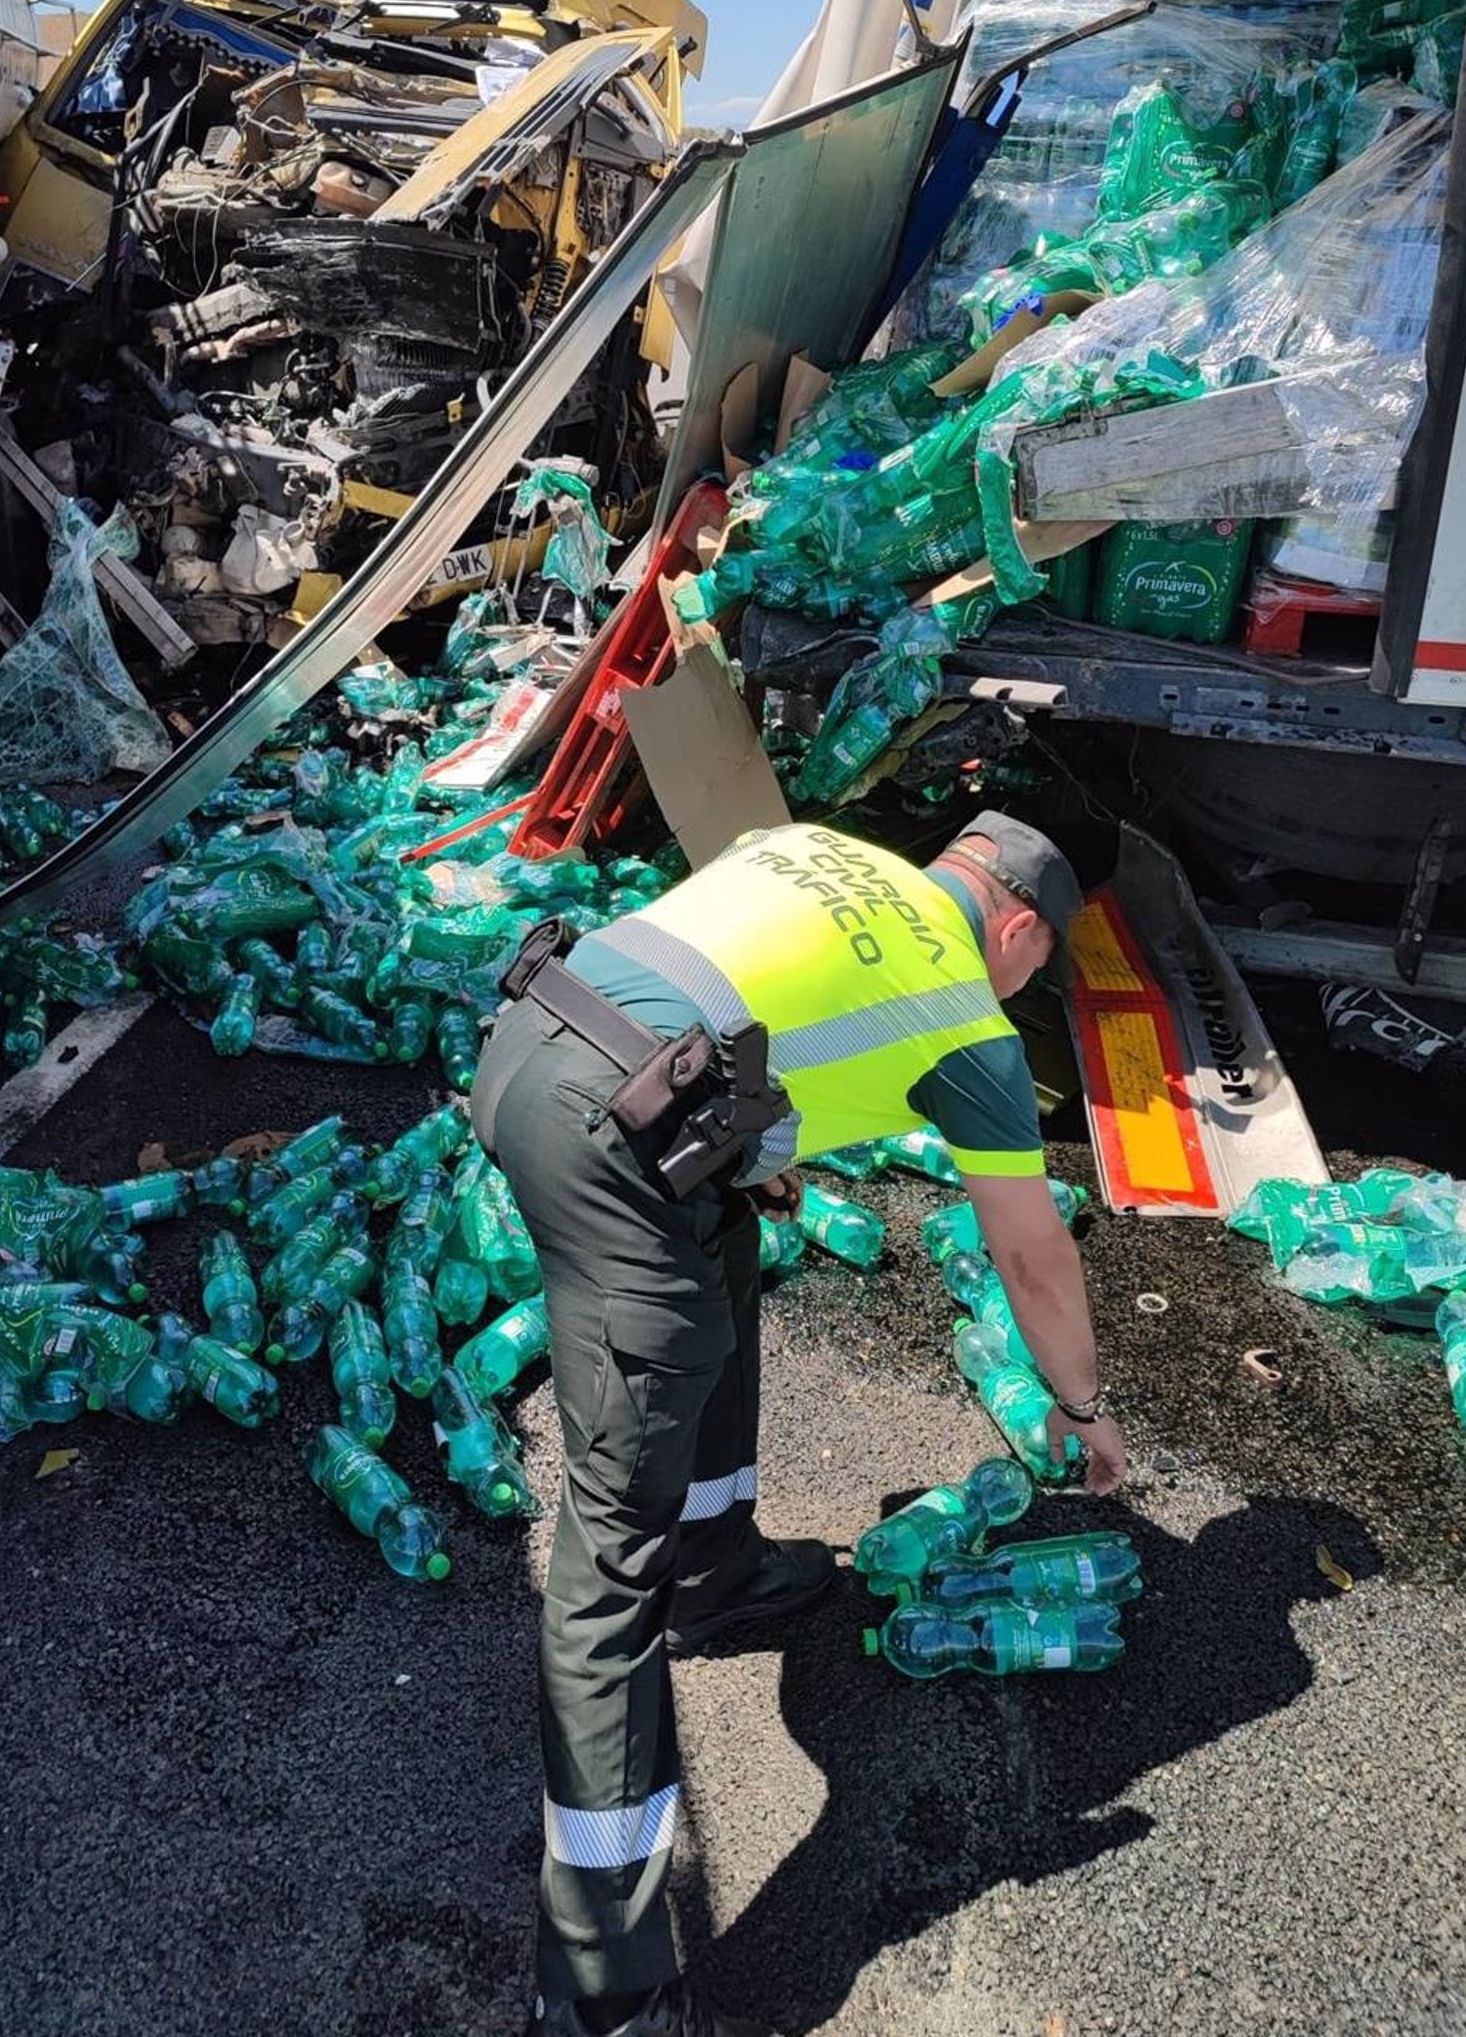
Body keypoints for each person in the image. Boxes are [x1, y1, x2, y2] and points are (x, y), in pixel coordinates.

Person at [472, 813, 1127, 2037]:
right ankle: (603, 1987)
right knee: (609, 1554)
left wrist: (759, 1142)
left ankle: (715, 1573)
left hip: (534, 1038)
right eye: (1035, 967)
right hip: (604, 1133)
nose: (1023, 987)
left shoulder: (813, 844)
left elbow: (722, 988)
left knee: (723, 1233)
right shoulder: (968, 1022)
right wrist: (1083, 1409)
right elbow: (1033, 1259)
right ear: (1021, 927)